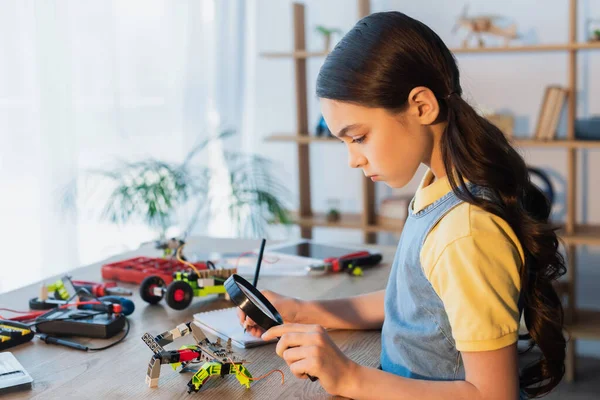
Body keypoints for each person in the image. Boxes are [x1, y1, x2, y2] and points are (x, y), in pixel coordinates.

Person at [238, 11, 566, 400]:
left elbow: (493, 394)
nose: (353, 159)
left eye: (358, 137)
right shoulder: (439, 189)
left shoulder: (466, 231)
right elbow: (413, 304)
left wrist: (348, 377)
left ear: (421, 106)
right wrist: (305, 309)